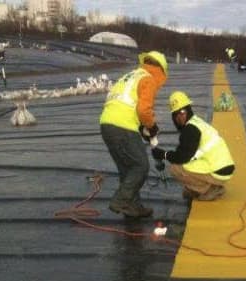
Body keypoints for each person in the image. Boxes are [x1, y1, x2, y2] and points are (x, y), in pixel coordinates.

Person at [100, 51, 168, 218]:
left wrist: (142, 129)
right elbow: (144, 110)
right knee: (140, 166)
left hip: (106, 124)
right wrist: (151, 127)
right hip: (123, 126)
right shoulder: (149, 79)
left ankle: (133, 207)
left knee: (127, 169)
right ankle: (121, 201)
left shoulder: (131, 75)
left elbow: (125, 104)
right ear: (160, 69)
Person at [151, 91, 235, 201]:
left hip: (219, 171)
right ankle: (202, 186)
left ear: (186, 111)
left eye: (181, 112)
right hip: (223, 167)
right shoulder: (197, 122)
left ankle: (208, 189)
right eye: (177, 114)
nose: (179, 116)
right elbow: (189, 152)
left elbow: (182, 157)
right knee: (185, 163)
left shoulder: (190, 129)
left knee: (176, 168)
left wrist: (163, 154)